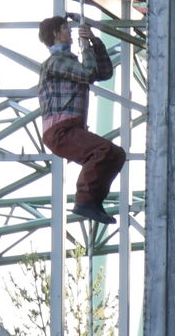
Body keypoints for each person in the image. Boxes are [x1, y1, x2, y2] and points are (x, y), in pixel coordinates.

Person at [37, 15, 125, 225]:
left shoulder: (69, 62)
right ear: (56, 34)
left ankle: (94, 201)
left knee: (116, 155)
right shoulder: (55, 62)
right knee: (102, 150)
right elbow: (88, 73)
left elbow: (104, 72)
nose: (70, 31)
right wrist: (86, 47)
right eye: (65, 28)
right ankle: (85, 200)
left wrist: (94, 43)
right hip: (60, 129)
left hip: (68, 127)